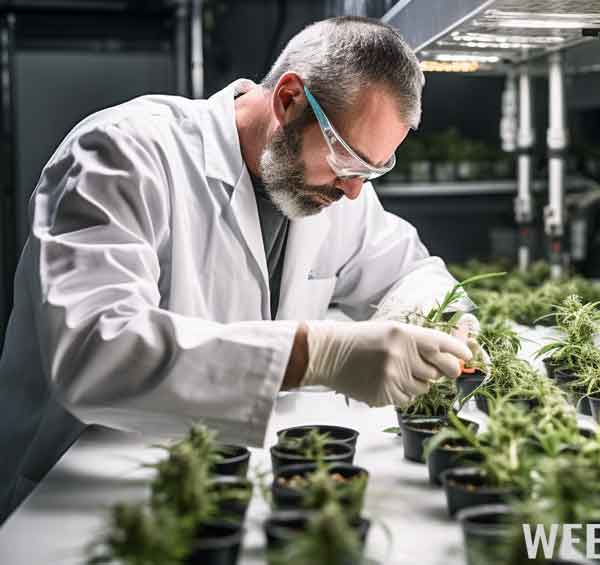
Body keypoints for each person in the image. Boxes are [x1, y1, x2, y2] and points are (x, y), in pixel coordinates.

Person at [0, 16, 481, 523]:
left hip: (216, 487)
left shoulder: (339, 188)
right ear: (289, 99)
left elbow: (407, 269)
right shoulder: (122, 154)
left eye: (374, 170)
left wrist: (437, 317)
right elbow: (95, 349)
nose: (355, 189)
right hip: (74, 492)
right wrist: (315, 355)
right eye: (348, 158)